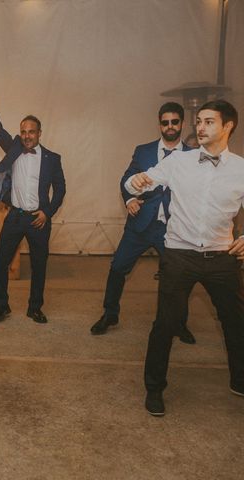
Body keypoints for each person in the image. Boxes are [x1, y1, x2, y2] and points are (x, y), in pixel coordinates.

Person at [125, 100, 244, 416]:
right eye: (199, 121)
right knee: (166, 322)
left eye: (209, 121)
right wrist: (134, 183)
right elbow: (138, 181)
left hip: (222, 258)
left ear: (228, 126)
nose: (200, 127)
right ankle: (154, 389)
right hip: (179, 255)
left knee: (236, 321)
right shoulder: (179, 161)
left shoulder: (241, 169)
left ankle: (240, 379)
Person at [90, 102, 196, 344]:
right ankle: (110, 314)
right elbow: (126, 179)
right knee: (117, 268)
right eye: (165, 122)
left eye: (174, 122)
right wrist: (129, 199)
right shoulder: (143, 151)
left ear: (182, 123)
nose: (170, 126)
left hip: (173, 227)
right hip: (139, 224)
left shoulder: (193, 156)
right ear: (159, 123)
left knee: (178, 277)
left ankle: (178, 323)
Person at [0, 83, 66, 324]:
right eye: (24, 131)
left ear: (39, 133)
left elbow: (60, 189)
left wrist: (47, 212)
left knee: (39, 265)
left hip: (39, 220)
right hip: (15, 217)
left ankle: (35, 308)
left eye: (31, 132)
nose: (27, 136)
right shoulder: (15, 148)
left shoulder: (52, 159)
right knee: (0, 262)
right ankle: (1, 306)